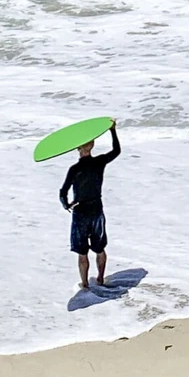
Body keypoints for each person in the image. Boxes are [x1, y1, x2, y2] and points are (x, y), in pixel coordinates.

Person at [59, 124, 122, 290]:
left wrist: (67, 205)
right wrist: (112, 130)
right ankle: (100, 278)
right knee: (99, 249)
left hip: (80, 213)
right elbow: (116, 151)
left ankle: (85, 284)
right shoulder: (99, 162)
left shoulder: (74, 169)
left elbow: (63, 192)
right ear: (92, 146)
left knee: (82, 253)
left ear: (77, 148)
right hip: (97, 211)